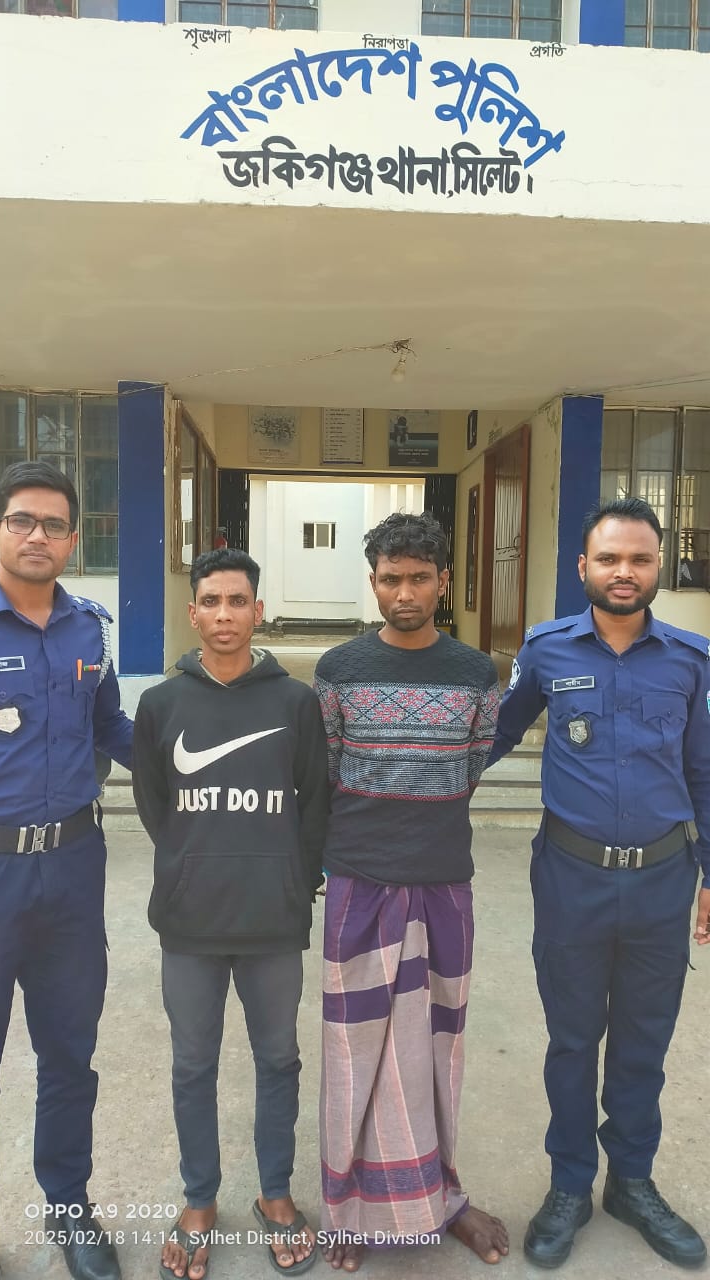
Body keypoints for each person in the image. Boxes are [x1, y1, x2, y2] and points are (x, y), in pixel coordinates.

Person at [488, 497, 710, 1270]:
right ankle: (570, 1185)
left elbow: (704, 772)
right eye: (609, 558)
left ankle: (633, 1183)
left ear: (658, 567)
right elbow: (496, 735)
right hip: (571, 878)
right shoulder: (546, 650)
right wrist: (411, 790)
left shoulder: (691, 659)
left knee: (644, 1042)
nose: (624, 572)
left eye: (639, 559)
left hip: (662, 881)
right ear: (583, 566)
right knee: (573, 1040)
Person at [313, 511, 510, 1273]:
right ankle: (348, 1208)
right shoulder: (338, 669)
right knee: (352, 1053)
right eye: (391, 579)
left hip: (442, 883)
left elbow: (471, 764)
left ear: (443, 583)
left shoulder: (476, 674)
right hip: (358, 882)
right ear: (373, 582)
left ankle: (439, 1199)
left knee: (437, 1052)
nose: (404, 593)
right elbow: (330, 768)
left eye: (419, 579)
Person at [132, 548, 328, 1280]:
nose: (224, 614)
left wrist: (291, 880)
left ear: (258, 611)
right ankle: (200, 1200)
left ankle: (275, 1192)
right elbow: (157, 807)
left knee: (279, 1060)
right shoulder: (160, 706)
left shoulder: (294, 703)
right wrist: (194, 867)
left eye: (237, 601)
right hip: (190, 922)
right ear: (194, 613)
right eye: (211, 601)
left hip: (273, 920)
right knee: (193, 1065)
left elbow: (316, 805)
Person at [0, 460, 134, 1280]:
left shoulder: (91, 631)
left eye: (53, 524)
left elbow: (112, 727)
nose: (37, 535)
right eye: (22, 520)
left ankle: (70, 1207)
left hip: (74, 869)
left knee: (69, 1056)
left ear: (73, 540)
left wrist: (193, 764)